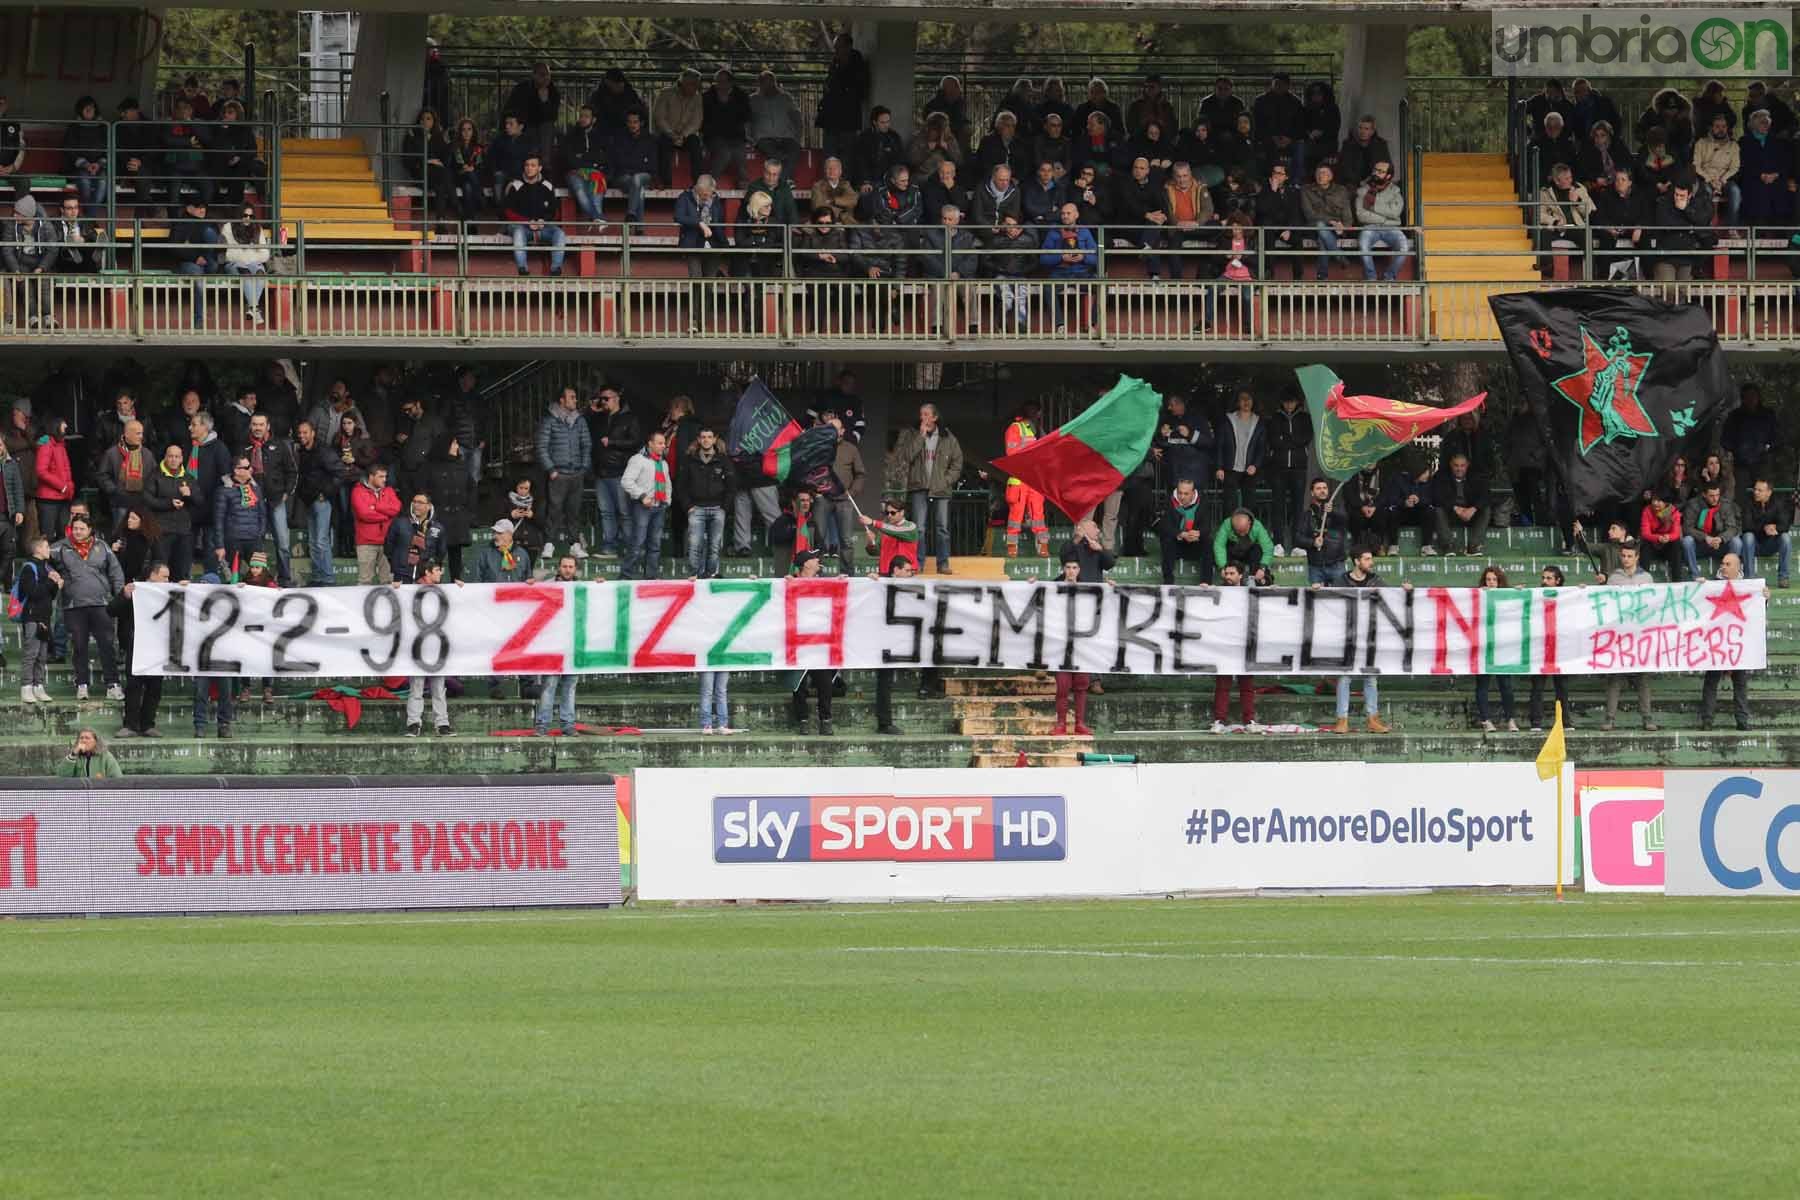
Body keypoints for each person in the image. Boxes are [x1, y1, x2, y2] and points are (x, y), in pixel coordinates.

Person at [50, 513, 124, 702]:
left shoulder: (102, 546)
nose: (78, 532)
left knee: (107, 645)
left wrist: (119, 597)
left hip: (101, 603)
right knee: (79, 646)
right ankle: (82, 685)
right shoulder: (59, 547)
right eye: (75, 528)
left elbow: (115, 572)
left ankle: (113, 684)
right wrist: (52, 574)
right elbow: (42, 561)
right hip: (73, 605)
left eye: (82, 528)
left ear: (90, 529)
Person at [894, 403, 963, 574]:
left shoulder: (948, 437)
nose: (922, 418)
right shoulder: (914, 435)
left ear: (934, 417)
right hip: (919, 487)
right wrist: (920, 436)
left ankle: (943, 564)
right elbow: (907, 457)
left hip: (941, 490)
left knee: (943, 528)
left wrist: (946, 481)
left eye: (926, 414)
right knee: (919, 528)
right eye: (921, 414)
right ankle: (918, 563)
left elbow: (957, 463)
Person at [1334, 548, 1396, 734]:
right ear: (1356, 561)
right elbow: (1328, 602)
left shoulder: (1376, 580)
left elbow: (1395, 597)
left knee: (1371, 678)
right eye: (1367, 559)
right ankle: (1342, 720)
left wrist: (1405, 590)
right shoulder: (1341, 581)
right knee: (1345, 677)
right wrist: (1318, 591)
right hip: (1348, 636)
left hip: (1370, 635)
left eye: (1371, 559)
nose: (1371, 562)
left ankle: (1372, 719)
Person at [1604, 539, 1660, 731]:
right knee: (1615, 678)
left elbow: (1652, 605)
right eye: (1623, 556)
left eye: (1630, 556)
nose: (1626, 559)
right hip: (1619, 636)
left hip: (1639, 636)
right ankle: (1609, 719)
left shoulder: (1647, 578)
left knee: (1642, 679)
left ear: (1637, 557)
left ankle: (1647, 718)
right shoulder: (1614, 578)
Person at [399, 559, 456, 738]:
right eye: (437, 569)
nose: (441, 572)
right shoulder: (410, 592)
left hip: (437, 647)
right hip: (418, 647)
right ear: (427, 573)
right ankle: (414, 723)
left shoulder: (446, 591)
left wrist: (461, 588)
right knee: (418, 687)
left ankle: (442, 724)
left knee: (438, 688)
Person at [536, 386, 592, 561]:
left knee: (574, 512)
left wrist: (583, 468)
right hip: (558, 473)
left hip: (576, 473)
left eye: (575, 397)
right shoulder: (550, 420)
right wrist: (551, 470)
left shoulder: (580, 421)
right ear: (562, 400)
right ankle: (549, 544)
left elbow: (587, 445)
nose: (575, 400)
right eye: (572, 397)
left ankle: (574, 545)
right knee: (554, 511)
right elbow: (541, 447)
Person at [1700, 551, 1753, 731]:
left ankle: (1742, 720)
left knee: (1740, 682)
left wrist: (1764, 600)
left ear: (1738, 567)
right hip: (1715, 643)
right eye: (1722, 563)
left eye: (1728, 564)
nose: (1723, 566)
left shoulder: (1749, 587)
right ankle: (1707, 720)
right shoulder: (1712, 585)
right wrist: (1698, 588)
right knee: (1711, 681)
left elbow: (1756, 614)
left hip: (1738, 644)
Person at [533, 555, 584, 738]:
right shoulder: (547, 586)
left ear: (575, 569)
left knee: (569, 687)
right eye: (564, 566)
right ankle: (542, 725)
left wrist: (600, 586)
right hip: (552, 644)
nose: (568, 569)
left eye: (571, 566)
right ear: (559, 567)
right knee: (549, 685)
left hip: (573, 645)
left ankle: (568, 725)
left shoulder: (583, 588)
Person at [1050, 555, 1097, 736]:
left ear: (1079, 570)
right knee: (1062, 686)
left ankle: (1079, 723)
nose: (1071, 571)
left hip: (1082, 645)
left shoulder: (1090, 589)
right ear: (1063, 569)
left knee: (1082, 684)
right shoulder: (1052, 588)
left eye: (1074, 567)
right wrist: (1030, 585)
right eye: (1068, 567)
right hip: (1060, 645)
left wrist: (1112, 588)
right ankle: (1060, 723)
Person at [590, 385, 638, 557]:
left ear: (617, 398)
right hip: (601, 472)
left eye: (606, 398)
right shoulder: (599, 418)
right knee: (606, 512)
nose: (603, 401)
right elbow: (587, 430)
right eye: (601, 398)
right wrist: (593, 410)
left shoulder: (629, 418)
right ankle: (609, 547)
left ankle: (631, 548)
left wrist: (612, 442)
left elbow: (635, 442)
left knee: (625, 512)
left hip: (620, 472)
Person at [679, 426, 733, 579]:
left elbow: (732, 486)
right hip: (696, 509)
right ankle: (695, 575)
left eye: (709, 437)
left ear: (715, 439)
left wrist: (724, 508)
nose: (706, 440)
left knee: (714, 546)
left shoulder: (723, 460)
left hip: (717, 509)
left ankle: (711, 576)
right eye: (703, 437)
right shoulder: (690, 459)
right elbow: (681, 486)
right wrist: (688, 506)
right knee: (695, 545)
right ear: (698, 439)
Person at [1209, 562, 1258, 730]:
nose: (1228, 577)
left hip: (1245, 644)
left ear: (1240, 575)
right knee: (1223, 685)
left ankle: (1249, 720)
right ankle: (1219, 720)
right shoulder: (1217, 592)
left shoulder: (1250, 592)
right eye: (1226, 574)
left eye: (1232, 573)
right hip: (1224, 645)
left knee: (1247, 685)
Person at [1470, 566, 1519, 732]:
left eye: (1494, 580)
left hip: (1502, 647)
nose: (1491, 583)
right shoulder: (1478, 596)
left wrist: (1516, 592)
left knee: (1505, 685)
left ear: (1500, 582)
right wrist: (1479, 594)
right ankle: (1486, 720)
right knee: (1482, 684)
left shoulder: (1506, 597)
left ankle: (1510, 719)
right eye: (1488, 580)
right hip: (1483, 647)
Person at [1527, 565, 1574, 733]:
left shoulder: (1569, 596)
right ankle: (1536, 722)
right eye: (1543, 578)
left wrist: (1583, 592)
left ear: (1558, 581)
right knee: (1537, 686)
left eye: (1548, 578)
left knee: (1562, 686)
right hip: (1540, 647)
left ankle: (1564, 721)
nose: (1544, 581)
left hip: (1560, 648)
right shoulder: (1535, 595)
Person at [620, 429, 671, 580]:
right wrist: (642, 496)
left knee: (655, 544)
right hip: (642, 507)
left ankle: (651, 576)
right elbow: (626, 481)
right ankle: (626, 575)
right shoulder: (638, 459)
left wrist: (667, 500)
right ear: (650, 444)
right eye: (660, 443)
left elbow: (667, 483)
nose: (663, 446)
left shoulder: (663, 463)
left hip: (659, 506)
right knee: (638, 543)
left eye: (664, 443)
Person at [502, 153, 564, 277]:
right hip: (521, 227)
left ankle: (556, 269)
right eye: (527, 165)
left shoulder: (548, 185)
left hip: (543, 227)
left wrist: (543, 221)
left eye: (533, 165)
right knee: (518, 232)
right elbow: (507, 212)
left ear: (539, 168)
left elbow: (555, 212)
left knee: (559, 233)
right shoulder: (516, 185)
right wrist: (527, 222)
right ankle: (522, 269)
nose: (529, 168)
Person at [1039, 201, 1097, 332]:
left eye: (1068, 213)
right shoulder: (1053, 232)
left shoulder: (1085, 232)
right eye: (1063, 214)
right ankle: (1060, 325)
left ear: (1076, 215)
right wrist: (1060, 257)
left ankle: (1092, 324)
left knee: (1102, 287)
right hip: (1060, 273)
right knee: (1048, 288)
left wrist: (1084, 257)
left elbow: (1096, 258)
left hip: (1082, 273)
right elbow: (1043, 258)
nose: (1065, 216)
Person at [1001, 402, 1050, 557]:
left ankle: (1043, 546)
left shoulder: (1039, 430)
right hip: (1020, 478)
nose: (1037, 414)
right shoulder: (1015, 428)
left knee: (1038, 514)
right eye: (1035, 411)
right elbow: (1011, 452)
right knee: (1016, 515)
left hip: (1035, 478)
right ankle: (1012, 547)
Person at [818, 32, 870, 165]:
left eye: (838, 47)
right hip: (831, 116)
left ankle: (845, 182)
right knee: (830, 153)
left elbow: (860, 91)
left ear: (848, 47)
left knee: (846, 154)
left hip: (847, 118)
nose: (836, 51)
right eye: (835, 47)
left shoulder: (857, 65)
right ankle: (830, 183)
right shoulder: (835, 62)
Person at [15, 535, 56, 702]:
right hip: (32, 616)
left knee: (42, 655)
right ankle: (26, 687)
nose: (49, 550)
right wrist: (49, 583)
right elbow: (32, 592)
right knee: (31, 653)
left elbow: (50, 595)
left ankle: (38, 686)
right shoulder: (29, 567)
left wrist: (55, 584)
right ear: (38, 549)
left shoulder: (46, 567)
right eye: (46, 547)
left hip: (45, 616)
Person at [1353, 159, 1408, 281]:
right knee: (1363, 244)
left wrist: (1373, 206)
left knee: (1404, 247)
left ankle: (1389, 277)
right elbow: (1361, 215)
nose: (1376, 173)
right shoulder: (1363, 190)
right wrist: (1384, 218)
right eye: (1375, 170)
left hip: (1392, 228)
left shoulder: (1395, 191)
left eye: (1381, 171)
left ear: (1388, 175)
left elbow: (1395, 212)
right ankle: (1371, 278)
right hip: (1370, 227)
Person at [1534, 162, 1593, 273]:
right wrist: (1554, 222)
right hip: (1557, 227)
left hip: (1576, 227)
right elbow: (1539, 214)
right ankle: (1548, 267)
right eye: (1566, 178)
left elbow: (1590, 211)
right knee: (1542, 232)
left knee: (1586, 235)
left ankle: (1592, 272)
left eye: (1570, 177)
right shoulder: (1545, 191)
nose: (1570, 180)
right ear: (1557, 181)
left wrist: (1578, 201)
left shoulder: (1579, 188)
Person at [212, 456, 266, 574]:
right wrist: (220, 546)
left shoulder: (256, 488)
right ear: (236, 470)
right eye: (246, 467)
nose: (251, 469)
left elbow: (262, 514)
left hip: (253, 540)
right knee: (231, 578)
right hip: (233, 541)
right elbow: (218, 521)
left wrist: (259, 534)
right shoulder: (223, 490)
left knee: (261, 577)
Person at [1680, 480, 1742, 582]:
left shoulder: (1725, 504)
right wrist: (1705, 537)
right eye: (1711, 496)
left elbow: (1732, 528)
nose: (1715, 499)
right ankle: (1695, 576)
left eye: (1717, 495)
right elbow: (1687, 528)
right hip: (1701, 544)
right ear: (1704, 494)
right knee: (1687, 541)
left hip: (1720, 545)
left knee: (1737, 542)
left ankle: (1726, 576)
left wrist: (1720, 538)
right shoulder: (1693, 504)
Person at [1301, 161, 1353, 281]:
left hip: (1336, 229)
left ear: (1331, 176)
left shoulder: (1341, 190)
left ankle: (1322, 276)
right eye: (1318, 173)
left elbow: (1347, 213)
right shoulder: (1306, 190)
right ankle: (1339, 256)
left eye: (1324, 173)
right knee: (1320, 226)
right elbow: (1309, 214)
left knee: (1323, 239)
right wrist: (1331, 221)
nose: (1320, 176)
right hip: (1313, 227)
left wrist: (1344, 226)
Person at [1214, 389, 1264, 515]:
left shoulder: (1259, 422)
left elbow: (1262, 447)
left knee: (1250, 504)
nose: (1246, 402)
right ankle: (1229, 533)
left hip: (1250, 469)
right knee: (1229, 504)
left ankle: (1249, 532)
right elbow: (1220, 445)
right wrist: (1219, 467)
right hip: (1230, 468)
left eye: (1249, 399)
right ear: (1237, 402)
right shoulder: (1228, 420)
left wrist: (1255, 465)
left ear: (1253, 401)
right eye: (1243, 398)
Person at [652, 69, 705, 186]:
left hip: (685, 135)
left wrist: (683, 135)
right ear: (682, 84)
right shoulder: (665, 93)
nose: (696, 87)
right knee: (663, 145)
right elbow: (659, 117)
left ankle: (698, 183)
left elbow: (697, 121)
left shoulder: (697, 97)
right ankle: (665, 183)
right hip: (666, 133)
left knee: (696, 144)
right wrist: (671, 134)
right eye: (693, 84)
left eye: (697, 85)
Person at [350, 463, 401, 585]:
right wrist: (387, 516)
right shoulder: (357, 491)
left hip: (387, 542)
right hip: (366, 542)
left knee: (388, 581)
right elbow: (364, 514)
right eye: (381, 476)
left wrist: (376, 506)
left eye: (385, 476)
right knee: (365, 581)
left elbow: (397, 508)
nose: (385, 479)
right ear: (371, 476)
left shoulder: (389, 490)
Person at [1430, 453, 1489, 555]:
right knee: (1438, 509)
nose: (1459, 469)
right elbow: (1436, 496)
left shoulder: (1475, 477)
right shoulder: (1441, 477)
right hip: (1451, 514)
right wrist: (1455, 508)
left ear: (1467, 465)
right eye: (1456, 465)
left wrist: (1473, 509)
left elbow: (1486, 496)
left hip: (1470, 514)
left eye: (1462, 466)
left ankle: (1473, 547)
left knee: (1486, 510)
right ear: (1451, 465)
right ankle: (1448, 546)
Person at [701, 68, 752, 187]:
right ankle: (710, 182)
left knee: (740, 152)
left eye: (723, 81)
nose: (720, 84)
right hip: (714, 135)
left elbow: (746, 116)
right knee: (725, 153)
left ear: (731, 83)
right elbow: (704, 120)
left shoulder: (741, 96)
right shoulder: (707, 97)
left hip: (736, 135)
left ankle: (743, 182)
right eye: (718, 81)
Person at [560, 105, 608, 226]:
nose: (582, 119)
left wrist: (583, 157)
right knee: (580, 190)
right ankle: (598, 217)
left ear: (594, 120)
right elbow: (569, 159)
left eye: (586, 116)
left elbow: (603, 158)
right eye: (581, 116)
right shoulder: (571, 135)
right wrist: (590, 161)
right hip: (574, 173)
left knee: (597, 183)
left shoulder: (601, 136)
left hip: (595, 173)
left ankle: (597, 221)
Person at [608, 109, 658, 227]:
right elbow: (619, 163)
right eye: (630, 122)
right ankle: (638, 225)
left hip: (645, 176)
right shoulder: (620, 139)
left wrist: (633, 165)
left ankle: (631, 214)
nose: (632, 125)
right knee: (638, 188)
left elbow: (652, 165)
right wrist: (639, 164)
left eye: (635, 122)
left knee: (637, 179)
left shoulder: (650, 140)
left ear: (641, 123)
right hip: (623, 177)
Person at [1695, 113, 1743, 227]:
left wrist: (1722, 180)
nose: (1721, 129)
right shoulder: (1701, 143)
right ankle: (1706, 228)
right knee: (1705, 191)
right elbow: (1696, 165)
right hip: (1707, 179)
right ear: (1711, 128)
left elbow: (1735, 167)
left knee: (1735, 191)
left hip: (1725, 179)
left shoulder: (1733, 145)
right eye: (1717, 126)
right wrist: (1710, 180)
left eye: (1723, 126)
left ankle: (1732, 228)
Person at [1741, 477, 1790, 587]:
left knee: (1785, 537)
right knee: (1748, 536)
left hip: (1770, 544)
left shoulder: (1778, 504)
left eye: (1760, 490)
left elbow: (1785, 524)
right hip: (1754, 545)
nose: (1756, 492)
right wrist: (1764, 528)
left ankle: (1783, 577)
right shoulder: (1749, 503)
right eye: (1755, 489)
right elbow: (1746, 526)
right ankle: (1750, 577)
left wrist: (1775, 527)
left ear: (1769, 492)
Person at [65, 95, 109, 209]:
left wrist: (99, 164)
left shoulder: (103, 127)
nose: (89, 111)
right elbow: (69, 150)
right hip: (79, 168)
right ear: (80, 110)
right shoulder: (73, 127)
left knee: (103, 182)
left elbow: (108, 149)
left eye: (92, 108)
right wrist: (85, 164)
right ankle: (90, 217)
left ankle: (88, 217)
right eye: (86, 109)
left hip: (100, 167)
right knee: (85, 182)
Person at [1300, 477, 1348, 585]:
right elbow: (1298, 538)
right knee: (1317, 600)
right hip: (1315, 566)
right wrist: (1313, 543)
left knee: (1340, 598)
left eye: (1325, 488)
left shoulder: (1337, 509)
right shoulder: (1306, 515)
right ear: (1312, 492)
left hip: (1337, 564)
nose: (1322, 490)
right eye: (1318, 488)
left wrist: (1332, 512)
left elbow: (1345, 520)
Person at [862, 498, 919, 575]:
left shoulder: (911, 527)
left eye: (892, 513)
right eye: (887, 512)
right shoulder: (884, 529)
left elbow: (896, 530)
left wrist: (873, 522)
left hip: (906, 573)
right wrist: (871, 542)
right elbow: (876, 552)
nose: (889, 515)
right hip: (886, 573)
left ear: (902, 512)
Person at [1214, 506, 1274, 580]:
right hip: (1233, 551)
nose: (1242, 534)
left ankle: (1255, 580)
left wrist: (1262, 568)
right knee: (1225, 549)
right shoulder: (1226, 524)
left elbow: (1268, 548)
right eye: (1238, 531)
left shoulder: (1257, 526)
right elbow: (1219, 546)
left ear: (1249, 523)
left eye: (1244, 530)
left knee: (1257, 549)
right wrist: (1222, 567)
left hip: (1249, 552)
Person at [1639, 490, 1685, 580]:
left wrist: (1668, 537)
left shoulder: (1673, 512)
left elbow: (1676, 533)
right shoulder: (1647, 510)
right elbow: (1645, 533)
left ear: (1666, 503)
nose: (1655, 503)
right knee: (1645, 544)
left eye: (1659, 501)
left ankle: (1677, 580)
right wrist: (1658, 538)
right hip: (1653, 545)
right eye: (1654, 500)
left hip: (1667, 546)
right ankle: (1643, 580)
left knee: (1676, 543)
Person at [51, 194, 102, 275]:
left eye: (76, 207)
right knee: (67, 250)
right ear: (62, 209)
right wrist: (66, 244)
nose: (74, 211)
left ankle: (95, 253)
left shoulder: (85, 221)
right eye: (70, 208)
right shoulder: (53, 223)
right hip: (63, 259)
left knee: (88, 247)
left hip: (83, 259)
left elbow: (94, 235)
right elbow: (52, 244)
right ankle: (72, 249)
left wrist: (83, 239)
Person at [1336, 115, 1391, 189]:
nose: (1363, 131)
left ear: (1372, 131)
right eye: (1360, 128)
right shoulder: (1348, 144)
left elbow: (1387, 166)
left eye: (1366, 129)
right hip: (1352, 183)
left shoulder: (1380, 145)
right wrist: (1358, 182)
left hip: (1374, 182)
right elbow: (1345, 167)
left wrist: (1371, 181)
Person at [58, 727, 122, 779]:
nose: (83, 740)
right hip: (80, 792)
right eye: (81, 738)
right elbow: (62, 776)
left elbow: (117, 777)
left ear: (95, 741)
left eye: (87, 738)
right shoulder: (73, 756)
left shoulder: (106, 756)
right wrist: (73, 755)